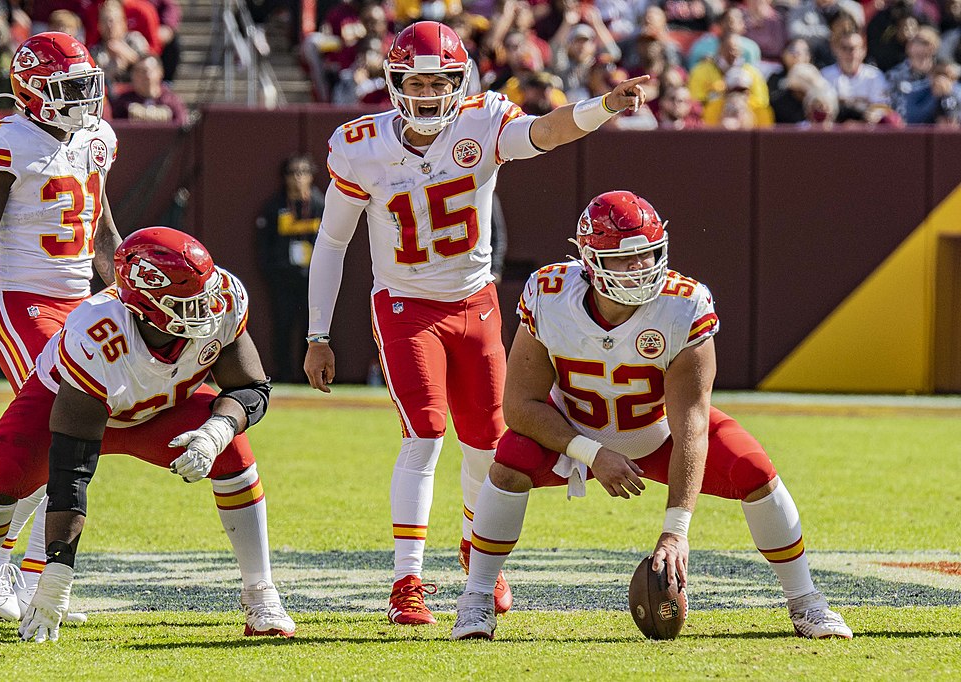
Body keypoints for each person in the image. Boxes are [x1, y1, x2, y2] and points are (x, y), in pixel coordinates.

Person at [304, 20, 648, 626]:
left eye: (442, 82)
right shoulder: (362, 146)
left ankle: (476, 550)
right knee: (426, 435)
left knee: (487, 443)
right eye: (419, 82)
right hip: (407, 306)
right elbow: (332, 243)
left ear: (460, 82)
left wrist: (601, 107)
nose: (432, 94)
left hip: (476, 302)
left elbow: (545, 132)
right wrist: (317, 334)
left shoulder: (481, 122)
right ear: (395, 84)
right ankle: (406, 580)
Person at [451, 191, 853, 641]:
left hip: (656, 433)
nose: (640, 269)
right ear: (590, 259)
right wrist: (591, 453)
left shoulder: (683, 306)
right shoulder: (551, 294)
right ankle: (477, 598)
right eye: (626, 260)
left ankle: (806, 601)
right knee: (509, 462)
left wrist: (675, 531)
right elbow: (519, 407)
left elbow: (693, 426)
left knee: (754, 469)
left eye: (647, 256)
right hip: (570, 432)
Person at [0, 227, 295, 643]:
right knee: (3, 471)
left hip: (161, 407)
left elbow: (250, 387)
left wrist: (216, 431)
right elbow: (71, 471)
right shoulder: (97, 334)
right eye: (186, 303)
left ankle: (261, 593)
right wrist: (58, 571)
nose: (205, 310)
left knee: (234, 451)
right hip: (74, 403)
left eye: (204, 295)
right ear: (145, 308)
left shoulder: (223, 300)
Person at [0, 32, 121, 628]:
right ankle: (2, 567)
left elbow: (102, 228)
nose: (82, 99)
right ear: (31, 93)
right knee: (58, 430)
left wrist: (127, 292)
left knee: (76, 436)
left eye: (86, 86)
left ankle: (25, 574)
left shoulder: (97, 138)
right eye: (68, 88)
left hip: (82, 299)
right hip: (23, 298)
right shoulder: (5, 141)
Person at [255, 155, 324, 383]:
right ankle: (284, 375)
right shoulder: (275, 207)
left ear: (312, 176)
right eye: (293, 172)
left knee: (311, 329)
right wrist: (272, 272)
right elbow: (263, 244)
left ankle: (309, 376)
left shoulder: (319, 205)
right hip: (283, 278)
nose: (298, 178)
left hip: (312, 280)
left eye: (303, 172)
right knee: (283, 326)